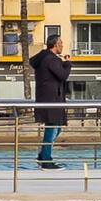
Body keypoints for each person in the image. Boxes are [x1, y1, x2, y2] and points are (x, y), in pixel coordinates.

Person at [31, 34, 72, 168]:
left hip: (48, 98)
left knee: (56, 127)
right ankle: (46, 160)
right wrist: (67, 63)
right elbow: (63, 75)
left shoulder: (45, 58)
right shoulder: (50, 59)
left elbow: (55, 73)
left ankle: (44, 155)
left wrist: (62, 63)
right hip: (51, 99)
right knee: (52, 128)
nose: (62, 45)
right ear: (55, 44)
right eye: (61, 43)